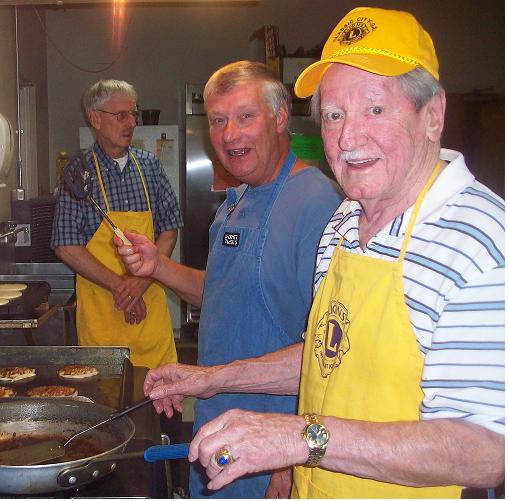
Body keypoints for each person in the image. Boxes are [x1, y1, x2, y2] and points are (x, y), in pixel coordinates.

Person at [119, 7, 505, 499]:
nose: (348, 137)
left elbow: (487, 450)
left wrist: (299, 438)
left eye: (376, 110)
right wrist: (209, 379)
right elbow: (327, 358)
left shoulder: (478, 240)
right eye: (335, 115)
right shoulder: (344, 224)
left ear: (433, 116)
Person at [115, 61, 343, 498]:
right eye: (218, 121)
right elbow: (224, 295)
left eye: (245, 116)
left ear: (279, 118)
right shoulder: (236, 201)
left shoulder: (318, 205)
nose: (229, 134)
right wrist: (157, 267)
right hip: (218, 431)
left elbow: (331, 355)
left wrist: (293, 461)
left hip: (269, 448)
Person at [51, 79, 183, 369]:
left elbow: (169, 229)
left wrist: (142, 282)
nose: (132, 122)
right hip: (102, 321)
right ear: (95, 119)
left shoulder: (149, 165)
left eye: (133, 113)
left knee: (161, 406)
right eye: (121, 115)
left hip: (152, 317)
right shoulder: (79, 171)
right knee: (108, 406)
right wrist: (122, 286)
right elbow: (66, 246)